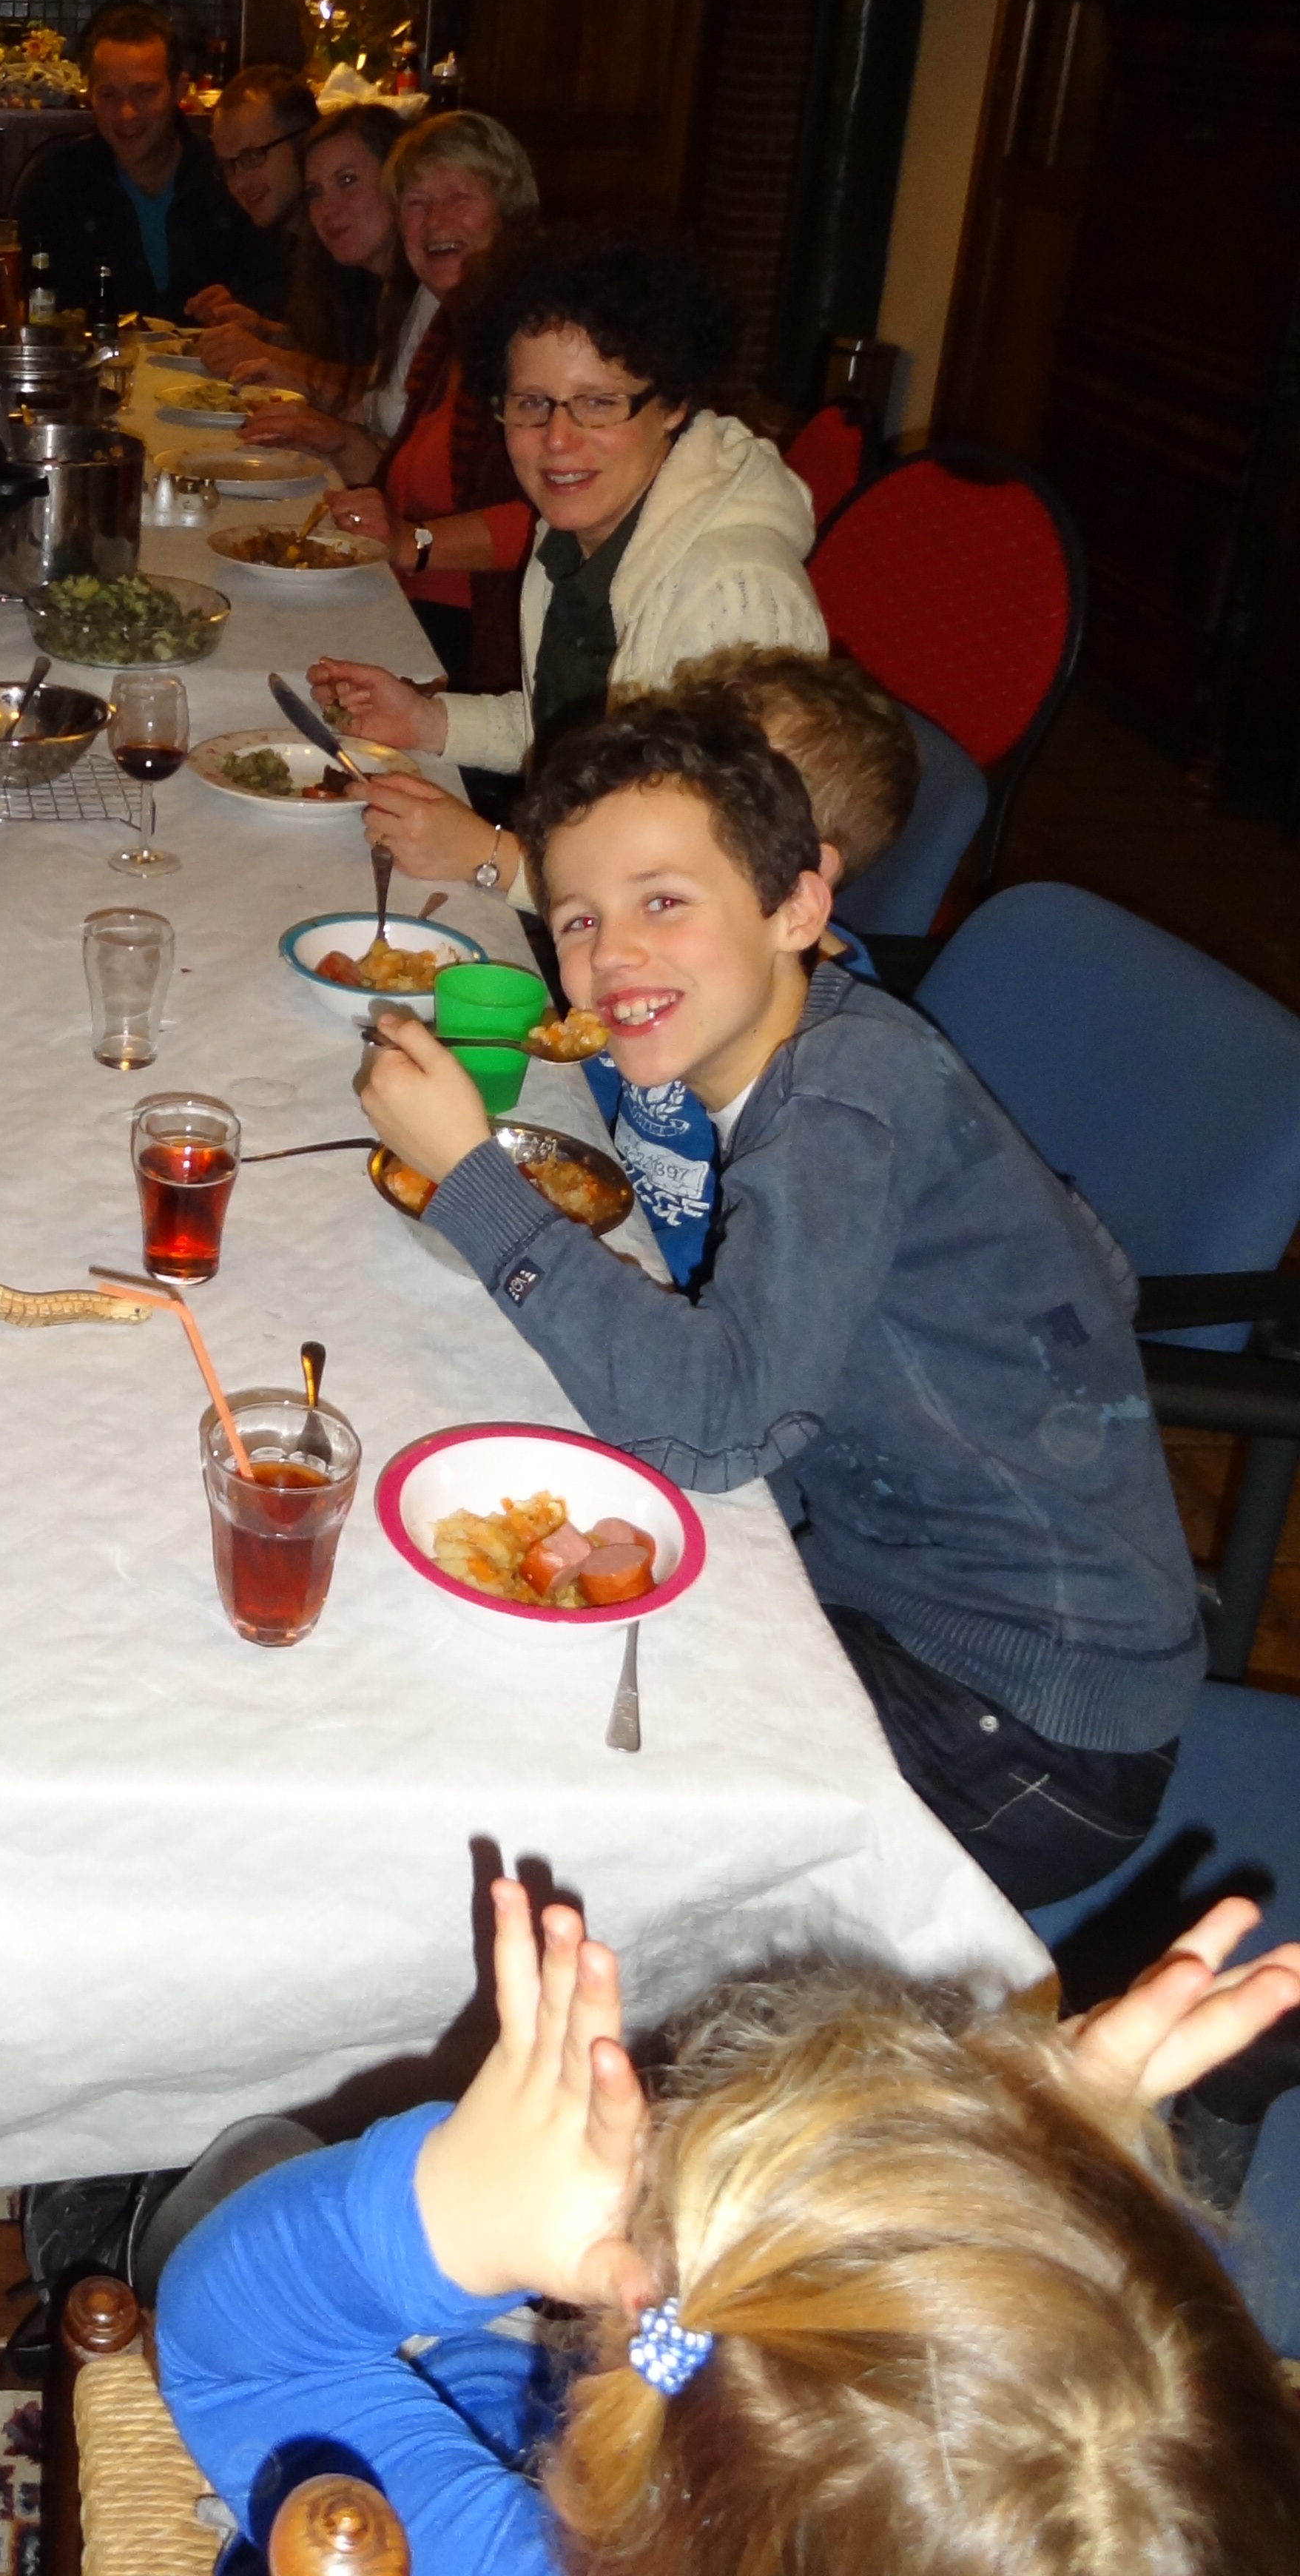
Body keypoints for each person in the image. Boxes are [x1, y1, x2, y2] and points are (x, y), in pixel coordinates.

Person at [357, 697, 1202, 1904]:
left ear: (799, 907)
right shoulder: (835, 1038)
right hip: (902, 1601)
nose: (611, 955)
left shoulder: (841, 1102)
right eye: (580, 918)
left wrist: (471, 1179)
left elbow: (713, 1425)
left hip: (1025, 1724)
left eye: (664, 901)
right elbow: (1086, 1275)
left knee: (536, 1778)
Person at [157, 1873, 1300, 2576]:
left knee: (248, 2167)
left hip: (380, 2476)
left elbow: (243, 2357)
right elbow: (1096, 2435)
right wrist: (1051, 2163)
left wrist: (440, 2219)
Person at [311, 228, 824, 899]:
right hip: (570, 875)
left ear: (673, 404)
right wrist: (428, 721)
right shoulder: (573, 534)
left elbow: (720, 882)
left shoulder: (731, 594)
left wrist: (492, 858)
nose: (557, 439)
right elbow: (575, 733)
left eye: (599, 404)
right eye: (531, 403)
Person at [580, 648, 920, 1282]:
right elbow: (586, 1089)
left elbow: (737, 1296)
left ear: (800, 881)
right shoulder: (664, 959)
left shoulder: (818, 1078)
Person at [305, 110, 539, 686]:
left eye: (459, 197)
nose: (436, 220)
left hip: (479, 646)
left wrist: (413, 541)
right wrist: (332, 440)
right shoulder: (450, 332)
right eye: (416, 203)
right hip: (404, 608)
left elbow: (546, 523)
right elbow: (402, 489)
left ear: (509, 212)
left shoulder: (530, 339)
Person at [8, 3, 258, 323]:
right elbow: (15, 301)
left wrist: (243, 308)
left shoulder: (227, 175)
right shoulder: (53, 183)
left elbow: (277, 290)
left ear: (179, 90)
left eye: (145, 93)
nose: (127, 113)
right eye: (109, 95)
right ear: (89, 96)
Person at [202, 104, 406, 423]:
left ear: (400, 178)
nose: (328, 209)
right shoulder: (344, 269)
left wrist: (270, 355)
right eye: (314, 192)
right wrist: (271, 334)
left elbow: (392, 398)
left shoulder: (431, 288)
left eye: (347, 180)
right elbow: (351, 360)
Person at [182, 64, 318, 335]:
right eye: (227, 167)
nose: (238, 184)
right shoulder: (267, 240)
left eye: (252, 157)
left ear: (304, 141)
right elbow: (315, 345)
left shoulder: (345, 236)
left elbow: (357, 361)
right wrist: (249, 321)